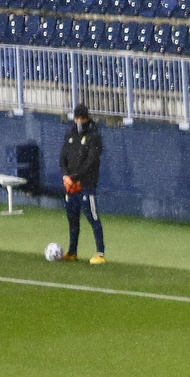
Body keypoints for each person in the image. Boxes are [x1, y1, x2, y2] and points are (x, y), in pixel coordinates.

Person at [59, 103, 106, 265]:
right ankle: (72, 251)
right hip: (71, 186)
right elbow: (62, 157)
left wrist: (76, 177)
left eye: (82, 118)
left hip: (86, 184)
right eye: (77, 118)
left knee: (92, 217)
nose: (79, 121)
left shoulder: (94, 136)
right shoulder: (70, 135)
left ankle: (100, 253)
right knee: (72, 219)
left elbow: (91, 161)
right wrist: (66, 176)